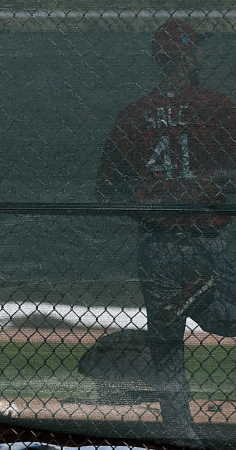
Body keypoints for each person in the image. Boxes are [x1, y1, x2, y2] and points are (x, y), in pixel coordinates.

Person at [95, 19, 236, 448]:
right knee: (227, 319)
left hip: (157, 239)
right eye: (198, 50)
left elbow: (106, 187)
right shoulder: (219, 106)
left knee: (166, 341)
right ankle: (198, 297)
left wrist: (145, 193)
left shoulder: (134, 113)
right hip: (207, 233)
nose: (202, 56)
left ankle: (180, 432)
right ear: (190, 57)